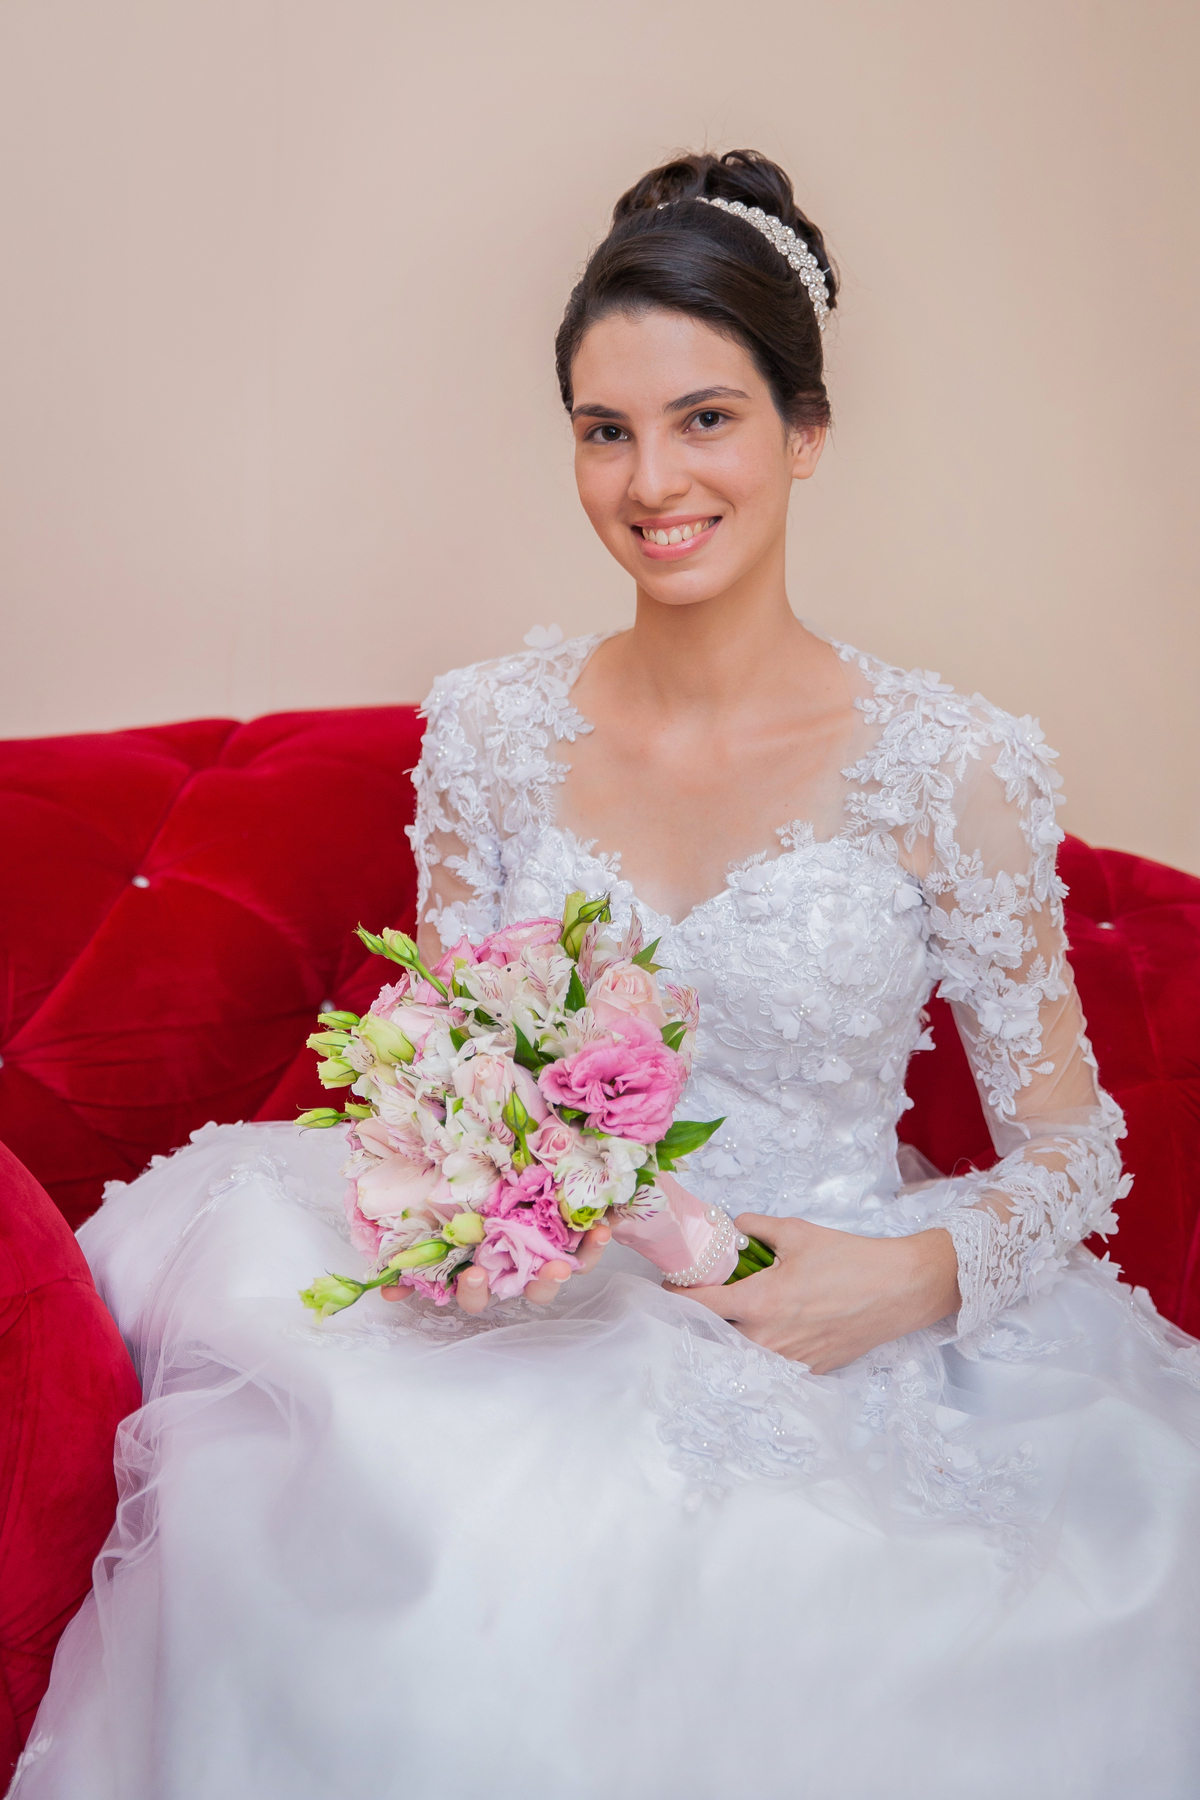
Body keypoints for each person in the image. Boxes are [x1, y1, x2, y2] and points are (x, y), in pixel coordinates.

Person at [14, 150, 1200, 1800]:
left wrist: (902, 1275)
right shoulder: (496, 733)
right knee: (371, 1535)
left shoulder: (952, 766)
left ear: (807, 430)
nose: (655, 480)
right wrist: (464, 1198)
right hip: (548, 1297)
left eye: (706, 418)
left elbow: (1079, 1152)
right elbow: (445, 1052)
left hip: (841, 1304)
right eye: (605, 428)